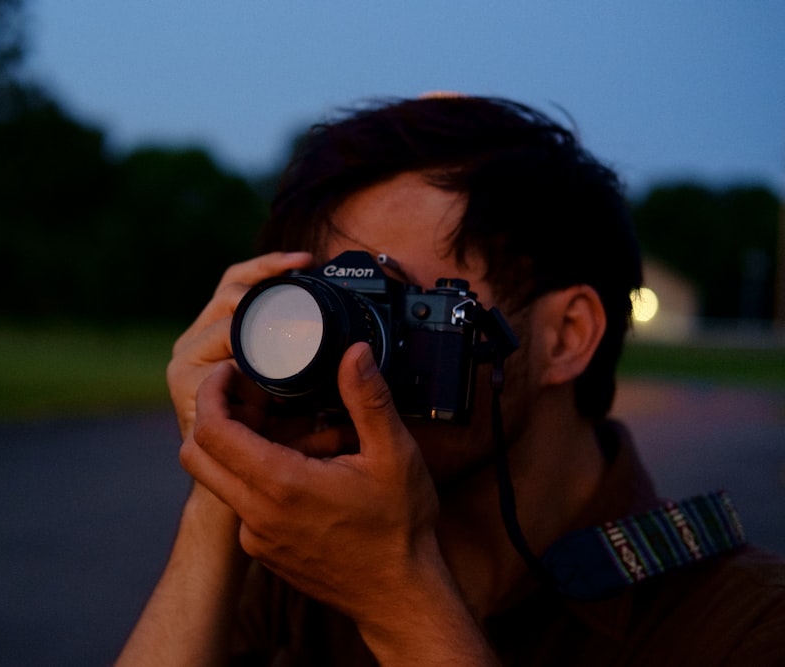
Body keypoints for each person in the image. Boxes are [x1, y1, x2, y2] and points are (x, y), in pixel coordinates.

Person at [116, 95, 785, 665]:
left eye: (394, 303)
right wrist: (221, 481)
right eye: (326, 302)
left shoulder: (743, 623)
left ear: (566, 335)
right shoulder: (302, 574)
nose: (342, 351)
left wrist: (397, 598)